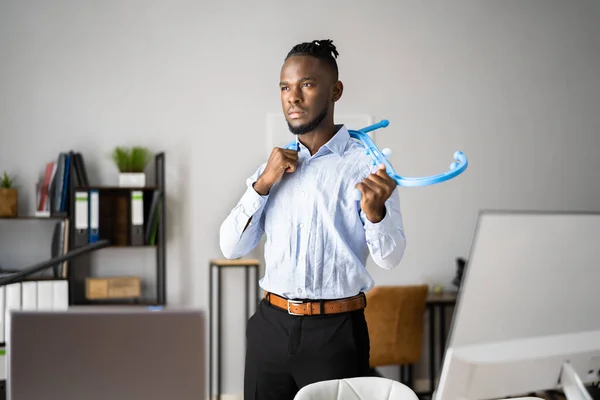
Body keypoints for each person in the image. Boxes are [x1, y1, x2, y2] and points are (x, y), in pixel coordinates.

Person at [219, 39, 406, 400]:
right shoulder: (271, 169)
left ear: (335, 90)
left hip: (336, 333)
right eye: (285, 88)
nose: (293, 97)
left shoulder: (369, 168)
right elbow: (231, 247)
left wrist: (375, 212)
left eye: (306, 84)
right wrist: (262, 184)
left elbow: (390, 258)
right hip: (269, 328)